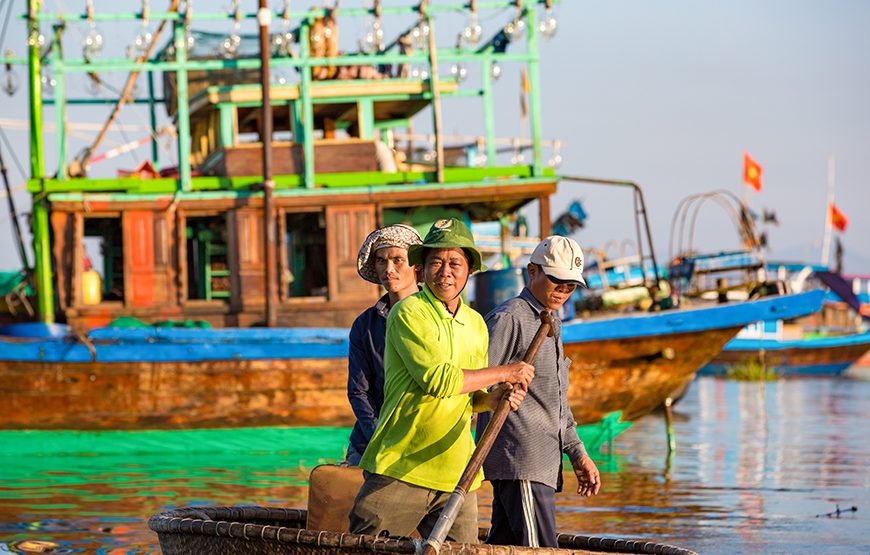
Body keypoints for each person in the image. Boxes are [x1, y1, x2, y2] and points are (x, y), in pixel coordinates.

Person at [348, 217, 535, 543]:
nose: (445, 271)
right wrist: (508, 371)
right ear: (423, 268)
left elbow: (469, 395)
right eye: (436, 262)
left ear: (469, 270)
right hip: (402, 468)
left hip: (458, 474)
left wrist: (494, 398)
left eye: (454, 263)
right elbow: (439, 381)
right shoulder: (408, 312)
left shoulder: (476, 323)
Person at [477, 235, 602, 548]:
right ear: (531, 271)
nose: (563, 291)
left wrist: (577, 452)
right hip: (521, 461)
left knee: (505, 545)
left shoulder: (551, 322)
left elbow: (556, 401)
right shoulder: (510, 318)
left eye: (570, 285)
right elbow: (479, 385)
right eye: (556, 281)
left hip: (542, 464)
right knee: (541, 550)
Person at [344, 224, 423, 466]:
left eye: (398, 260)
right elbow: (358, 391)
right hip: (371, 442)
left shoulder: (436, 316)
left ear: (416, 266)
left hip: (424, 442)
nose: (389, 269)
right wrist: (380, 436)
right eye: (381, 261)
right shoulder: (365, 325)